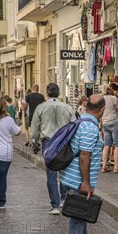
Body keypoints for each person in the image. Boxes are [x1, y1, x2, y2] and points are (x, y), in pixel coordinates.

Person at [60, 94, 105, 234]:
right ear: (102, 110)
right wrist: (85, 182)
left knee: (83, 213)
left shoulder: (81, 121)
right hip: (78, 179)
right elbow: (85, 155)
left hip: (74, 176)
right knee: (78, 217)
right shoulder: (89, 127)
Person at [30, 83, 75, 215]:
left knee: (51, 173)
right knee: (64, 171)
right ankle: (63, 199)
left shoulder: (41, 107)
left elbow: (35, 126)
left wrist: (34, 141)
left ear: (47, 93)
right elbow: (73, 124)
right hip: (64, 141)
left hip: (49, 142)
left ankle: (54, 205)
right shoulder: (67, 107)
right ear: (59, 92)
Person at [101, 84, 118, 173]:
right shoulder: (114, 98)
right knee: (117, 146)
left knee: (106, 145)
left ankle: (104, 166)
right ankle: (116, 167)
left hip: (105, 123)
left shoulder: (102, 99)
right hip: (114, 122)